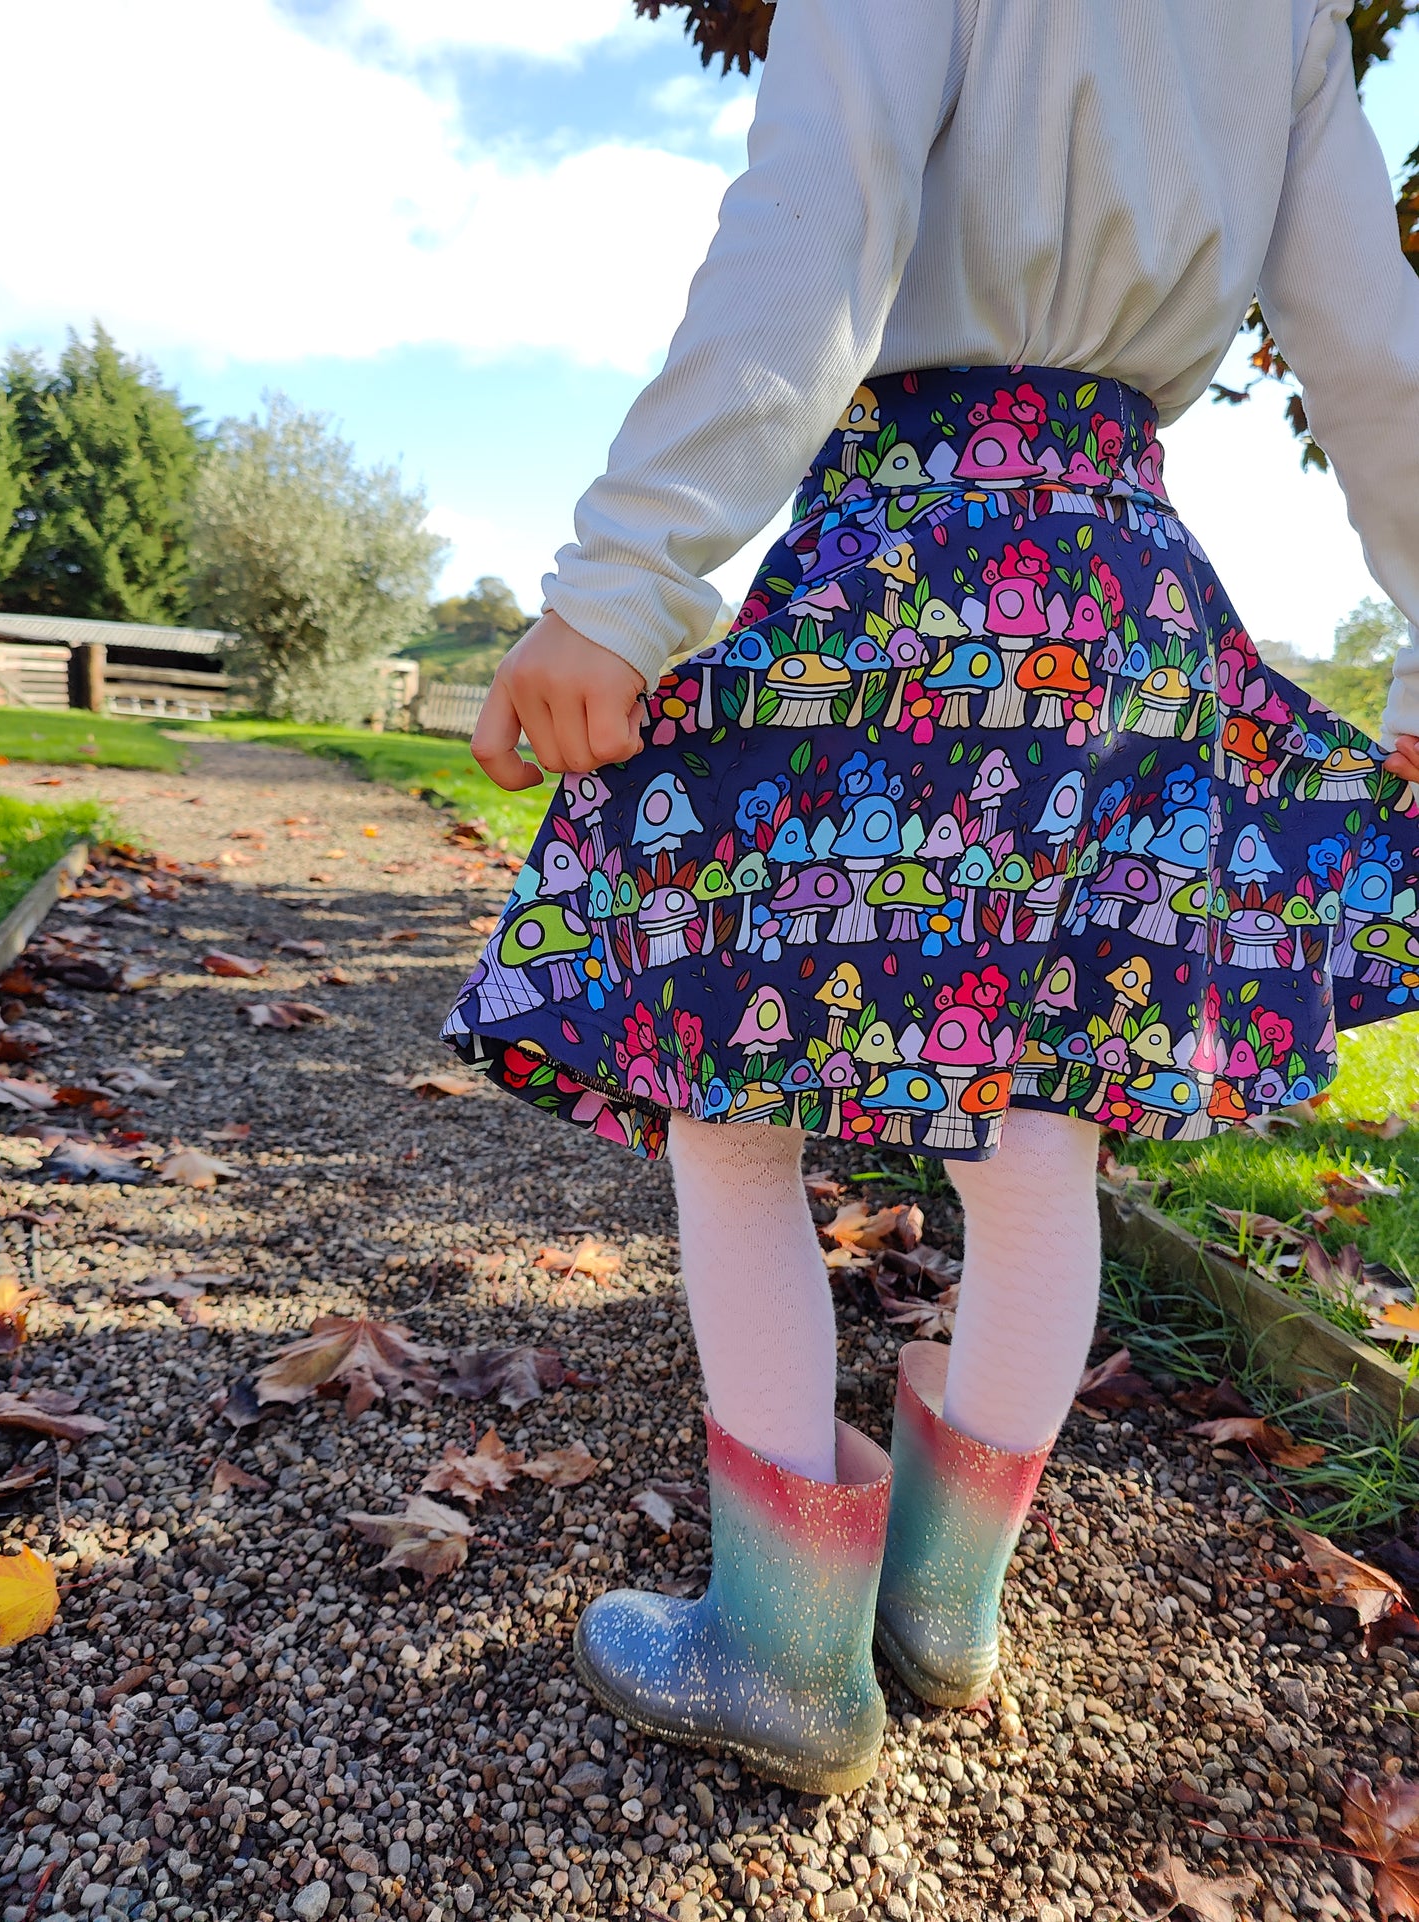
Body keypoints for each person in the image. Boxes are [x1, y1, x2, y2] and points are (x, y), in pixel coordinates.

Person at [444, 0, 1419, 1793]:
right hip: (1117, 597)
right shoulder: (1281, 14)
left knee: (729, 1095)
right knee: (1039, 1125)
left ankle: (783, 1651)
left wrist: (628, 573)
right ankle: (940, 1619)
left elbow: (813, 219)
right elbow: (1372, 345)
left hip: (907, 545)